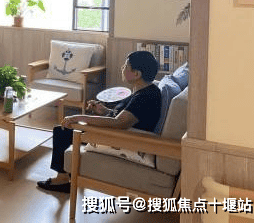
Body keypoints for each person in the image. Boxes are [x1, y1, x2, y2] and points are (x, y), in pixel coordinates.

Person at [37, 50, 161, 193]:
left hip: (123, 139)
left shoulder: (145, 97)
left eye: (126, 66)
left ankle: (62, 179)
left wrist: (79, 117)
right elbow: (125, 116)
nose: (122, 68)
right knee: (66, 129)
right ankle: (66, 174)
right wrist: (104, 111)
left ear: (137, 74)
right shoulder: (145, 90)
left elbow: (119, 123)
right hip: (119, 132)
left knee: (62, 130)